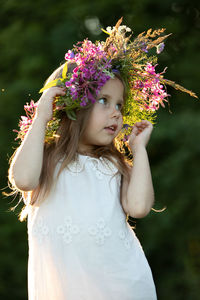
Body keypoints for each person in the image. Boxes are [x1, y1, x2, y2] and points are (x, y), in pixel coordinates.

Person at [8, 19, 196, 300]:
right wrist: (42, 116)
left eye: (119, 104)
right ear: (73, 106)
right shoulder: (46, 156)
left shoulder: (113, 164)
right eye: (104, 101)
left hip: (122, 286)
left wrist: (139, 149)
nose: (116, 113)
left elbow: (140, 206)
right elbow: (22, 179)